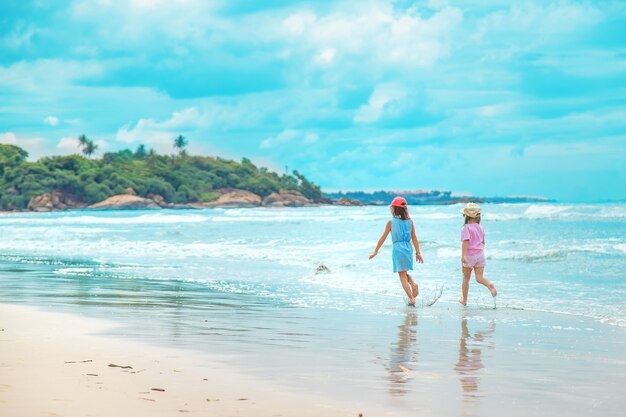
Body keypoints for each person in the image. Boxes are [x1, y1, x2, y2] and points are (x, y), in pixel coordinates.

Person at [369, 196, 424, 306]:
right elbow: (414, 237)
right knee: (404, 271)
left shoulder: (391, 222)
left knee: (402, 275)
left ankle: (411, 298)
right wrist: (418, 252)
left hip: (398, 249)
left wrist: (375, 251)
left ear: (394, 209)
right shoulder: (410, 222)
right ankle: (413, 283)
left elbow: (383, 237)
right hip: (408, 248)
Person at [459, 202, 497, 305]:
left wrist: (463, 256)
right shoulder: (481, 227)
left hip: (469, 255)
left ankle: (464, 300)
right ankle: (490, 285)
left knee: (466, 279)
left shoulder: (466, 228)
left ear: (466, 215)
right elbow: (483, 242)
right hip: (480, 255)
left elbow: (465, 242)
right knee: (479, 278)